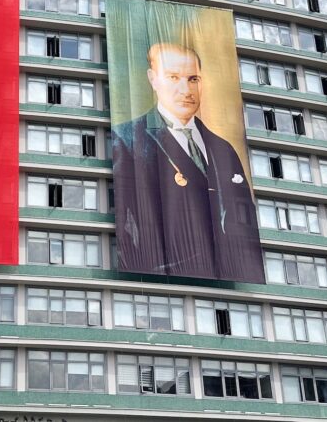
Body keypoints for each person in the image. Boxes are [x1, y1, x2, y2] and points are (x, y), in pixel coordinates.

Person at [111, 42, 264, 282]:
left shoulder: (222, 147)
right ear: (153, 79)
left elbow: (245, 219)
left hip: (225, 276)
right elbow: (125, 223)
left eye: (193, 79)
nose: (186, 90)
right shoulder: (127, 139)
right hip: (162, 277)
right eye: (173, 77)